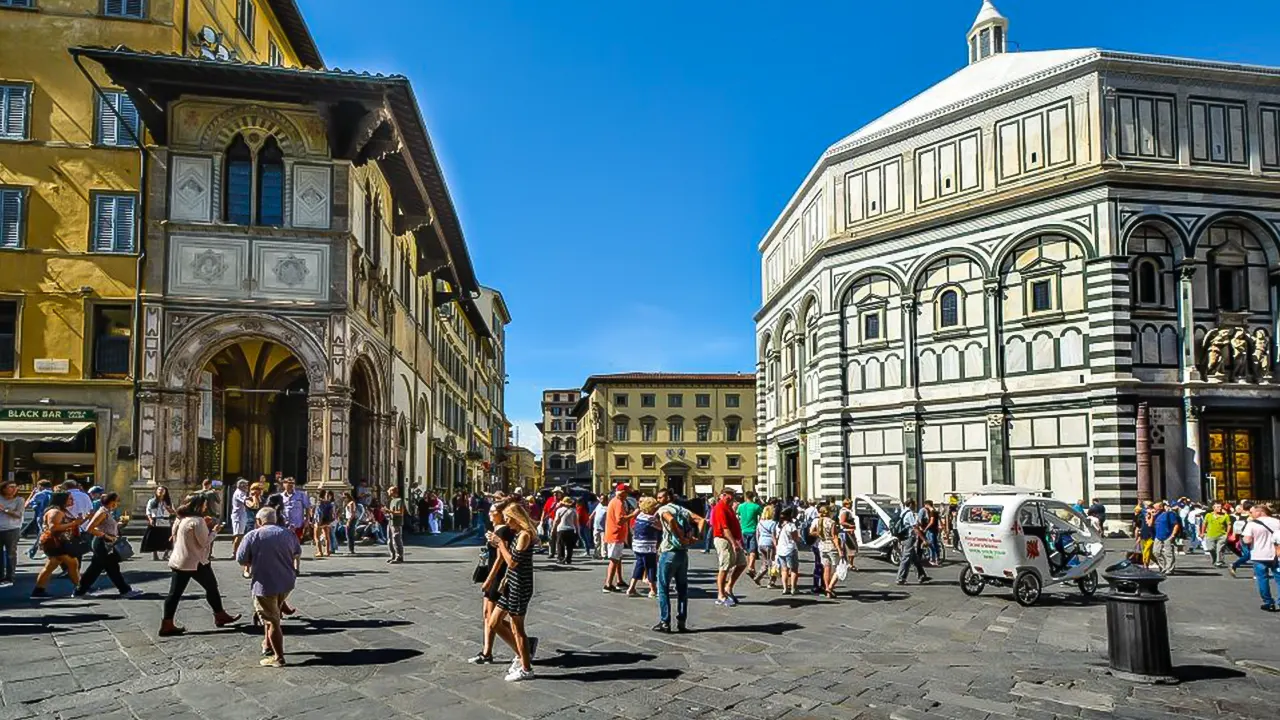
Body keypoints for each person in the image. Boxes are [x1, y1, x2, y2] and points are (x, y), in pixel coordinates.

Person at [160, 495, 240, 636]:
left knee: (175, 593)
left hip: (180, 560)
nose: (205, 507)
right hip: (195, 562)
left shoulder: (182, 519)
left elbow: (174, 535)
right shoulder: (198, 521)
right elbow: (204, 542)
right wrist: (214, 531)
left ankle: (167, 623)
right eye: (204, 505)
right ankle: (219, 615)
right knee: (211, 587)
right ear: (198, 506)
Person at [235, 507, 301, 668]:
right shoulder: (288, 533)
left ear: (258, 521)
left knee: (272, 622)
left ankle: (278, 657)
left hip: (265, 584)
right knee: (273, 613)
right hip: (286, 582)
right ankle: (268, 644)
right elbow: (296, 552)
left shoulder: (253, 535)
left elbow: (241, 559)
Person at [481, 500, 538, 682]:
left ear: (515, 518)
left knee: (517, 627)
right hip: (510, 585)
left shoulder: (524, 536)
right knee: (494, 622)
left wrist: (500, 544)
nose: (506, 522)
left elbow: (513, 562)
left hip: (520, 585)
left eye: (508, 518)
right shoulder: (517, 534)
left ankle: (526, 668)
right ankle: (522, 654)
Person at [470, 504, 519, 665]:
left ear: (501, 514)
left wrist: (489, 580)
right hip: (493, 572)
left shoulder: (503, 531)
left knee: (493, 618)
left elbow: (500, 558)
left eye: (494, 511)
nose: (490, 513)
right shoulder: (496, 530)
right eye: (489, 510)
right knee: (486, 614)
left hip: (497, 576)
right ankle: (487, 652)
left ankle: (522, 646)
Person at [652, 488, 705, 633]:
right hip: (682, 553)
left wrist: (680, 537)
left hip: (669, 552)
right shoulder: (682, 509)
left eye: (661, 497)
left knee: (663, 588)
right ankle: (682, 622)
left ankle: (665, 622)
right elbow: (701, 520)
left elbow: (670, 519)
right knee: (682, 589)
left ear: (668, 497)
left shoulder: (664, 509)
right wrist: (698, 537)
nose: (658, 500)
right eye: (657, 497)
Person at [74, 493, 142, 598]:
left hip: (106, 543)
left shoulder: (108, 512)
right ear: (111, 501)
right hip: (102, 543)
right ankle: (125, 590)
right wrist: (106, 536)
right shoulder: (102, 512)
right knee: (109, 568)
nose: (118, 503)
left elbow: (107, 526)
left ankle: (80, 591)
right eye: (117, 501)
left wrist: (121, 523)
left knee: (99, 568)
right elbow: (90, 528)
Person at [31, 492, 83, 599]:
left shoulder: (60, 511)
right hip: (55, 542)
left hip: (56, 542)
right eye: (70, 499)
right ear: (62, 500)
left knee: (51, 566)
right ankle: (80, 587)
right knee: (73, 563)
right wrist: (74, 523)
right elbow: (53, 528)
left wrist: (81, 520)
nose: (72, 501)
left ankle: (38, 590)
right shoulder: (56, 512)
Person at [710, 488, 748, 606]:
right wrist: (733, 542)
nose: (732, 497)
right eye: (729, 495)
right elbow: (724, 528)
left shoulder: (728, 507)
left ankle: (728, 587)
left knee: (742, 563)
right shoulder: (720, 508)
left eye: (733, 495)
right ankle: (721, 595)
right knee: (724, 567)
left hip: (733, 540)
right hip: (723, 540)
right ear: (723, 495)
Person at [1242, 503, 1280, 612]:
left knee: (1262, 578)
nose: (1251, 514)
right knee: (1278, 578)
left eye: (1253, 512)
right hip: (1276, 554)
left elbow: (1247, 540)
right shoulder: (1277, 522)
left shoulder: (1252, 524)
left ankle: (1268, 602)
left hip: (1259, 554)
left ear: (1259, 512)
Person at [602, 484, 636, 593]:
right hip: (615, 535)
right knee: (614, 559)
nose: (627, 495)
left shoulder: (614, 501)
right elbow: (620, 520)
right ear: (622, 493)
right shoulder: (618, 503)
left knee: (618, 558)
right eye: (627, 493)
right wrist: (633, 514)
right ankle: (608, 584)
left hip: (615, 534)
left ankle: (619, 580)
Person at [625, 497, 660, 597]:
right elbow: (661, 527)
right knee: (651, 567)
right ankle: (653, 590)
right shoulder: (651, 519)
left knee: (639, 565)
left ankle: (631, 588)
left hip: (637, 546)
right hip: (647, 547)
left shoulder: (640, 516)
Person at [895, 498, 932, 586]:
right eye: (914, 504)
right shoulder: (909, 514)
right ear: (911, 504)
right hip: (909, 538)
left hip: (903, 537)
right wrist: (924, 540)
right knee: (906, 558)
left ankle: (921, 575)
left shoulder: (903, 512)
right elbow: (915, 528)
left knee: (914, 558)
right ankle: (900, 578)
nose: (915, 506)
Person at [810, 505, 841, 599]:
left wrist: (819, 534)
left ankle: (827, 588)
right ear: (829, 512)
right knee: (838, 569)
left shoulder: (818, 521)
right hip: (831, 546)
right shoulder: (831, 522)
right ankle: (830, 588)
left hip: (822, 546)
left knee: (826, 569)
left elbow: (811, 532)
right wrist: (840, 550)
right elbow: (835, 537)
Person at [0, 481, 24, 587]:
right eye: (11, 487)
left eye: (15, 487)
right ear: (4, 488)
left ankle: (10, 576)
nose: (14, 489)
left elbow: (18, 514)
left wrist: (5, 510)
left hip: (12, 529)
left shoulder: (19, 500)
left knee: (11, 553)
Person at [737, 490, 764, 582]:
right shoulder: (756, 506)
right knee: (752, 550)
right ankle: (751, 567)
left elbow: (738, 517)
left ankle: (751, 567)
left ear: (745, 496)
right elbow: (762, 516)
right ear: (753, 497)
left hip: (743, 530)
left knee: (747, 551)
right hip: (753, 530)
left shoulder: (741, 506)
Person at [142, 485, 174, 561]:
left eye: (162, 490)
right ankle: (155, 555)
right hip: (155, 520)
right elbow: (148, 511)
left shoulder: (168, 502)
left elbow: (173, 512)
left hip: (165, 521)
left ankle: (166, 554)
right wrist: (150, 519)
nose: (160, 491)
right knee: (154, 538)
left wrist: (168, 508)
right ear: (156, 491)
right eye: (159, 489)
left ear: (165, 492)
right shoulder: (152, 501)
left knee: (168, 538)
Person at [23, 479, 53, 560]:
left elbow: (27, 504)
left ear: (40, 486)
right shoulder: (55, 493)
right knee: (44, 533)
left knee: (43, 533)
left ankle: (47, 551)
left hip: (42, 515)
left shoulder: (40, 494)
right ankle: (33, 550)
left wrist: (32, 494)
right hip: (53, 516)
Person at [1151, 501, 1180, 574]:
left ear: (1161, 507)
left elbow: (1176, 525)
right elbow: (1151, 524)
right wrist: (1151, 515)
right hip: (1158, 536)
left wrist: (1173, 535)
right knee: (1156, 552)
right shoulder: (1157, 515)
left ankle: (1169, 569)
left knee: (1168, 553)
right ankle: (1163, 566)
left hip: (1168, 536)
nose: (1154, 509)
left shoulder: (1169, 514)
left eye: (1155, 507)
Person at [754, 504, 779, 589]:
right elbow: (773, 535)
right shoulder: (773, 523)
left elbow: (757, 534)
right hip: (769, 544)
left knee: (765, 563)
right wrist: (776, 546)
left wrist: (758, 544)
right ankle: (771, 582)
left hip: (761, 543)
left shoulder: (760, 523)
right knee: (772, 563)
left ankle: (758, 576)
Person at [1203, 502, 1231, 568]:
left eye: (1220, 507)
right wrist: (1202, 532)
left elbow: (1229, 525)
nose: (1220, 508)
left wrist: (1227, 534)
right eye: (1218, 507)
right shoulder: (1208, 515)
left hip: (1222, 535)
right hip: (1210, 535)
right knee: (1211, 548)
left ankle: (1219, 562)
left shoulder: (1225, 515)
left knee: (1219, 549)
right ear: (1213, 508)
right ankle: (1214, 558)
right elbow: (1204, 524)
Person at [552, 496, 578, 565]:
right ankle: (568, 559)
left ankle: (561, 558)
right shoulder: (573, 511)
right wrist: (577, 531)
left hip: (561, 529)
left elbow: (556, 521)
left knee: (560, 544)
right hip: (570, 529)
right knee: (569, 546)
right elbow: (576, 523)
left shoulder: (559, 510)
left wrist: (553, 529)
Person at [230, 479, 251, 556]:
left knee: (240, 534)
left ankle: (237, 551)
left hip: (241, 515)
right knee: (239, 535)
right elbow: (246, 500)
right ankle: (235, 552)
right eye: (246, 485)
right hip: (238, 516)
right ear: (242, 486)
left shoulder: (241, 492)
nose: (247, 487)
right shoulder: (240, 493)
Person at [313, 490, 336, 558]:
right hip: (327, 521)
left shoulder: (320, 503)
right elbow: (332, 513)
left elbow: (319, 513)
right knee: (327, 537)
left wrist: (318, 522)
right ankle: (327, 551)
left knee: (316, 537)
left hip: (319, 521)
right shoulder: (330, 504)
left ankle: (319, 552)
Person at [386, 486, 406, 564]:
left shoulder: (399, 501)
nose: (387, 491)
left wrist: (390, 511)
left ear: (393, 492)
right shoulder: (392, 501)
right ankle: (393, 555)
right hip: (390, 522)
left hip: (396, 523)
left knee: (396, 539)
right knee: (390, 540)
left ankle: (399, 556)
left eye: (389, 490)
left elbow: (400, 513)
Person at [921, 500, 942, 566]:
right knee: (935, 544)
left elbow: (931, 522)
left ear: (927, 504)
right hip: (935, 529)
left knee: (931, 545)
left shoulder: (932, 512)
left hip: (931, 530)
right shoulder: (935, 511)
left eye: (925, 505)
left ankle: (933, 559)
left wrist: (926, 528)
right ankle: (937, 558)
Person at [589, 495, 608, 560]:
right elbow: (594, 512)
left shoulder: (607, 507)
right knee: (596, 541)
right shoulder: (599, 505)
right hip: (596, 526)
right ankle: (596, 554)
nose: (600, 500)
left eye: (602, 499)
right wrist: (590, 518)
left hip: (604, 528)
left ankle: (604, 555)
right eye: (600, 498)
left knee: (604, 542)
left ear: (606, 500)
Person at [342, 491, 361, 555]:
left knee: (350, 535)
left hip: (351, 519)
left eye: (344, 497)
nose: (344, 499)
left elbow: (352, 513)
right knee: (348, 534)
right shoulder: (348, 503)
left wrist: (349, 522)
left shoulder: (351, 503)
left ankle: (351, 549)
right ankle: (350, 548)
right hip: (349, 519)